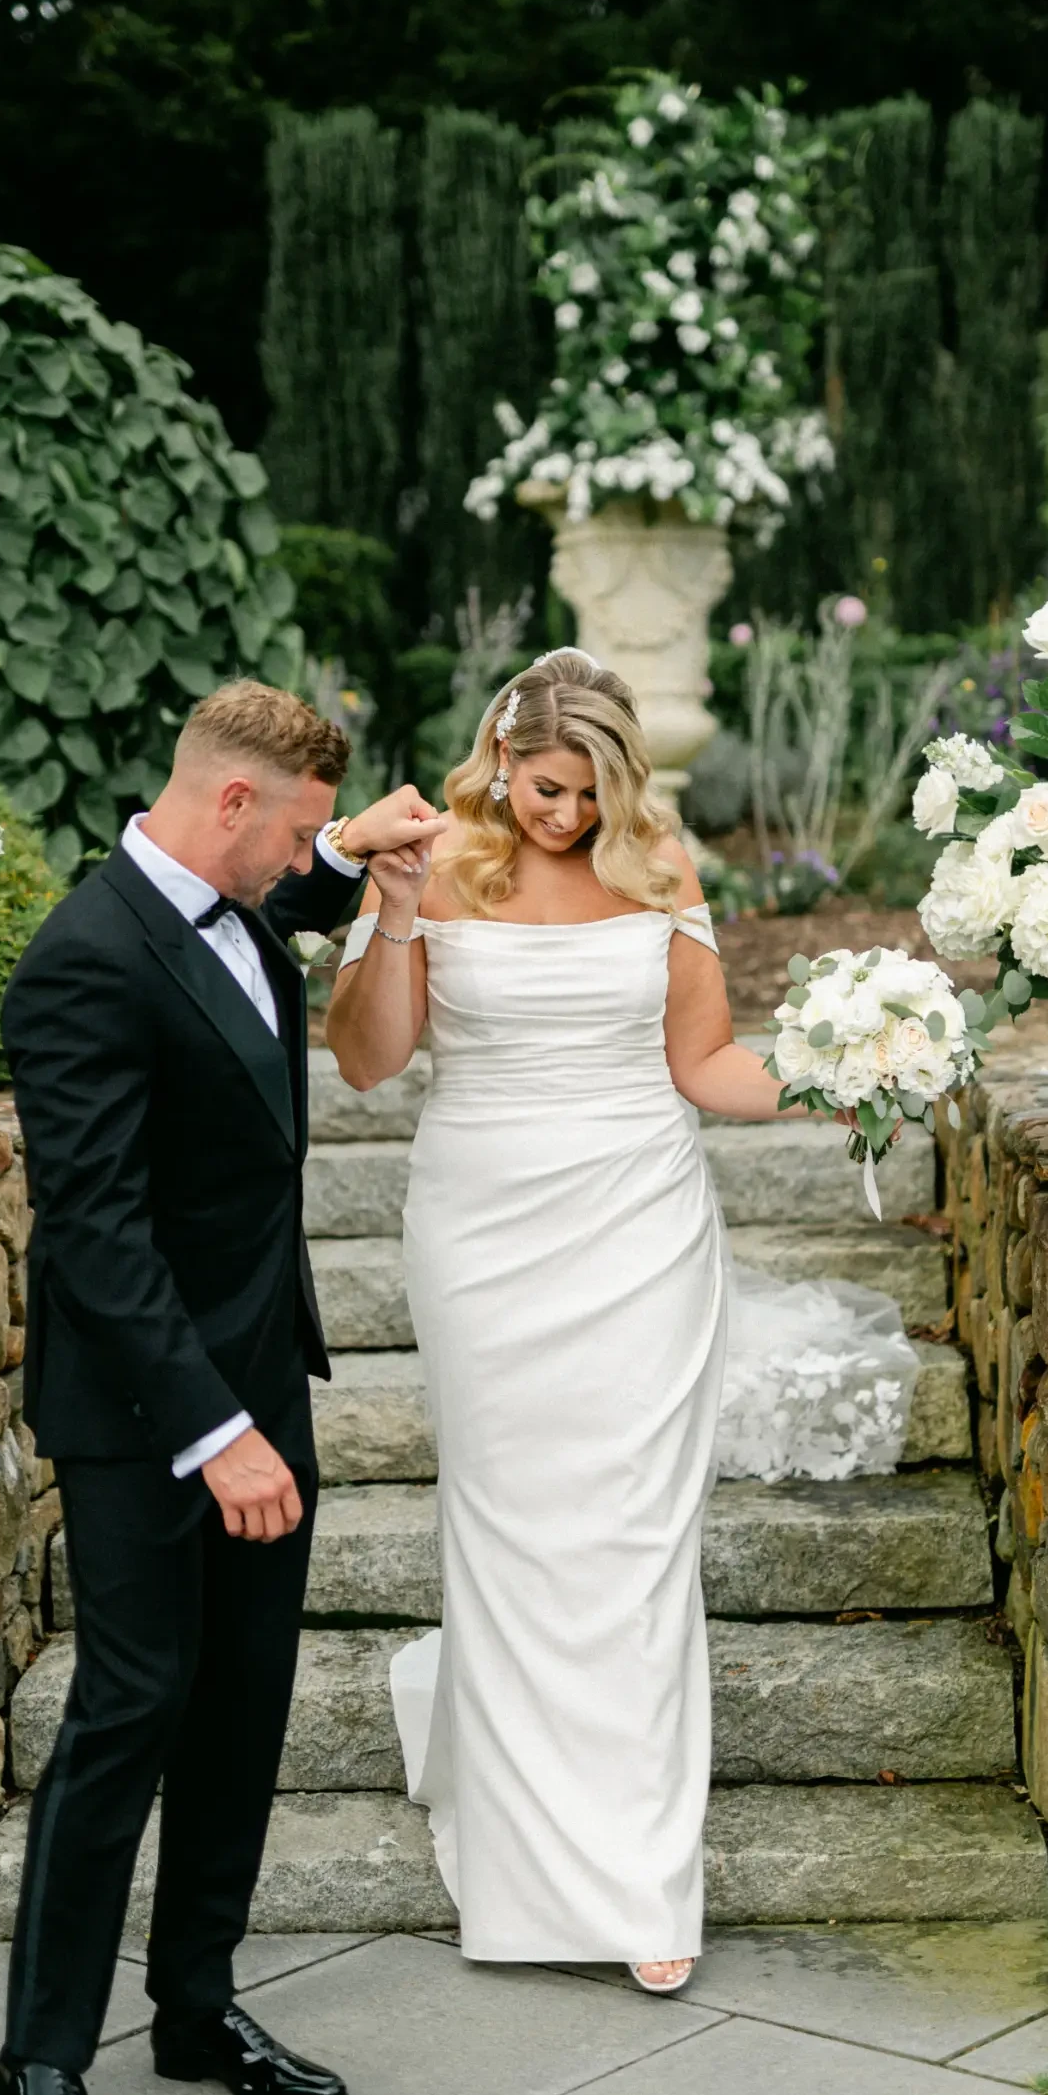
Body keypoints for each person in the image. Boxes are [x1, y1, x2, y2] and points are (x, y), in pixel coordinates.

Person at [325, 646, 844, 1995]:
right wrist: (393, 914)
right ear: (500, 758)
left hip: (640, 1227)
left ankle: (643, 1883)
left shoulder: (662, 865)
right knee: (506, 1532)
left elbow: (704, 1064)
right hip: (483, 1230)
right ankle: (524, 1875)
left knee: (634, 1544)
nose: (565, 816)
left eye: (589, 793)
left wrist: (847, 1073)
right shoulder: (432, 865)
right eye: (545, 789)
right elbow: (369, 1062)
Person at [0, 681, 441, 2095]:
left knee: (243, 1707)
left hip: (264, 1382)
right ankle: (37, 2063)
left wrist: (354, 852)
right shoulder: (82, 960)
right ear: (231, 802)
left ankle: (196, 2007)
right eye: (298, 831)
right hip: (146, 1415)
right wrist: (211, 1431)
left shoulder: (241, 897)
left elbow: (289, 899)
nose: (306, 861)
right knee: (132, 1707)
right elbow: (97, 1236)